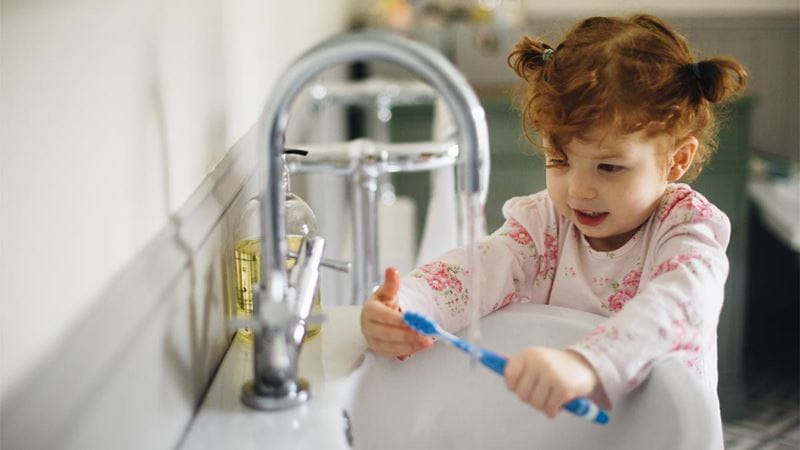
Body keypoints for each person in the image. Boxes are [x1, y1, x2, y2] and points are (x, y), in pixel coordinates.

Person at [360, 13, 747, 423]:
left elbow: (681, 303)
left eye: (609, 168)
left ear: (676, 161)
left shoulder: (686, 228)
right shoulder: (544, 226)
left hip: (662, 431)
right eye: (558, 160)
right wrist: (407, 306)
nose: (579, 190)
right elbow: (477, 270)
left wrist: (590, 363)